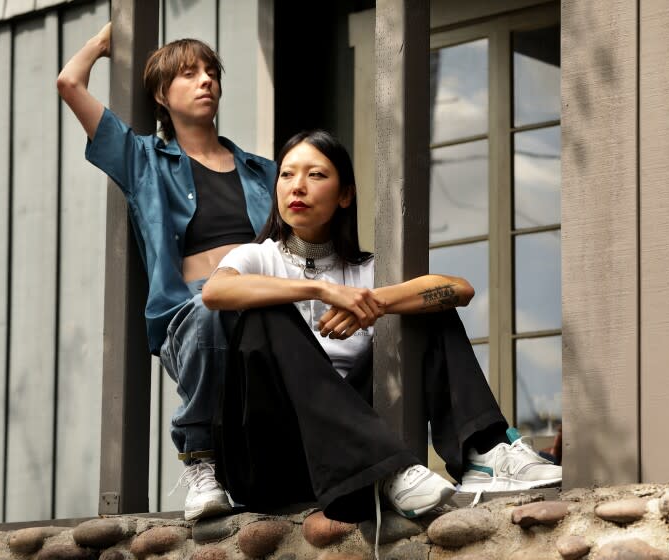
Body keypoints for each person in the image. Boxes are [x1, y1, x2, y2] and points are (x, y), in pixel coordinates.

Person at [201, 130, 562, 524]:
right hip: (275, 459)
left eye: (316, 175)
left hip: (351, 456)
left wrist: (374, 303)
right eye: (286, 175)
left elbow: (461, 289)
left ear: (345, 196)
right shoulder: (256, 257)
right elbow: (216, 291)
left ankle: (486, 453)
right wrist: (323, 291)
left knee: (427, 306)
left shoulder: (367, 271)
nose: (297, 186)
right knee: (263, 312)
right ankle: (388, 469)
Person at [57, 23, 276, 520]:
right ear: (161, 93)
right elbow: (70, 84)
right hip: (192, 310)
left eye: (212, 73)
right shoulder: (142, 160)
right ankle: (200, 461)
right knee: (206, 311)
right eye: (189, 73)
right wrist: (105, 41)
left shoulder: (264, 171)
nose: (206, 82)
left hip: (261, 304)